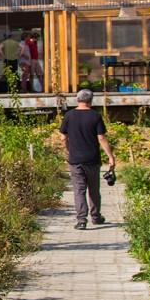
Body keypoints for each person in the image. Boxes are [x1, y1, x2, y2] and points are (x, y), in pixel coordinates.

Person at [58, 89, 116, 230]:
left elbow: (63, 137)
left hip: (75, 160)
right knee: (94, 190)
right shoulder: (95, 116)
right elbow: (101, 138)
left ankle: (81, 220)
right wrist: (110, 156)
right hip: (92, 159)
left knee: (79, 190)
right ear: (91, 100)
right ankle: (96, 217)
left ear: (77, 100)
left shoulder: (69, 115)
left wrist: (69, 150)